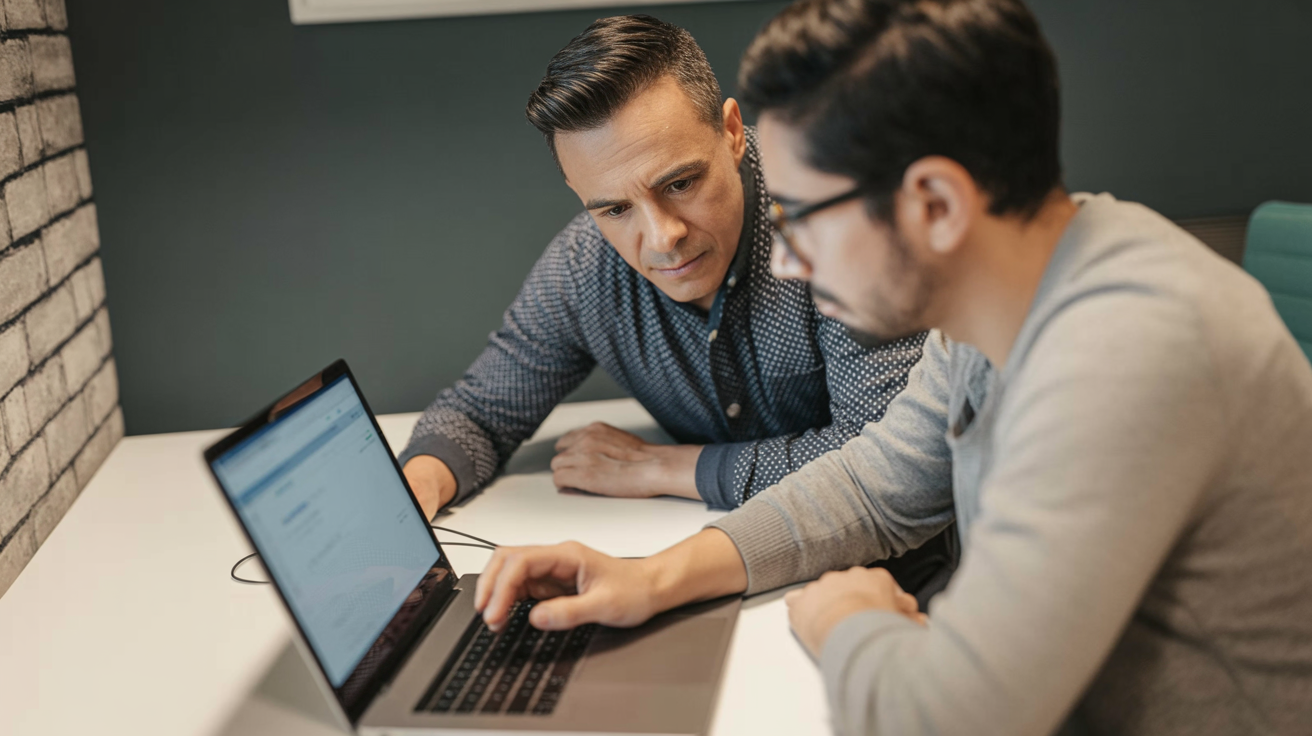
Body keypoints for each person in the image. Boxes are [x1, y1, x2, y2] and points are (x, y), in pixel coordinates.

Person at [470, 1, 1312, 734]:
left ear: (935, 204)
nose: (787, 260)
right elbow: (875, 485)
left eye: (802, 216)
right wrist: (654, 577)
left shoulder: (1124, 355)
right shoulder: (999, 302)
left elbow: (945, 720)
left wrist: (848, 616)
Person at [398, 16, 927, 522]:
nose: (661, 237)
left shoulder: (836, 222)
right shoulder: (583, 266)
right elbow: (478, 413)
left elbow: (890, 460)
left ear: (732, 132)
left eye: (680, 184)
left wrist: (667, 468)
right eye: (614, 209)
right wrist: (414, 493)